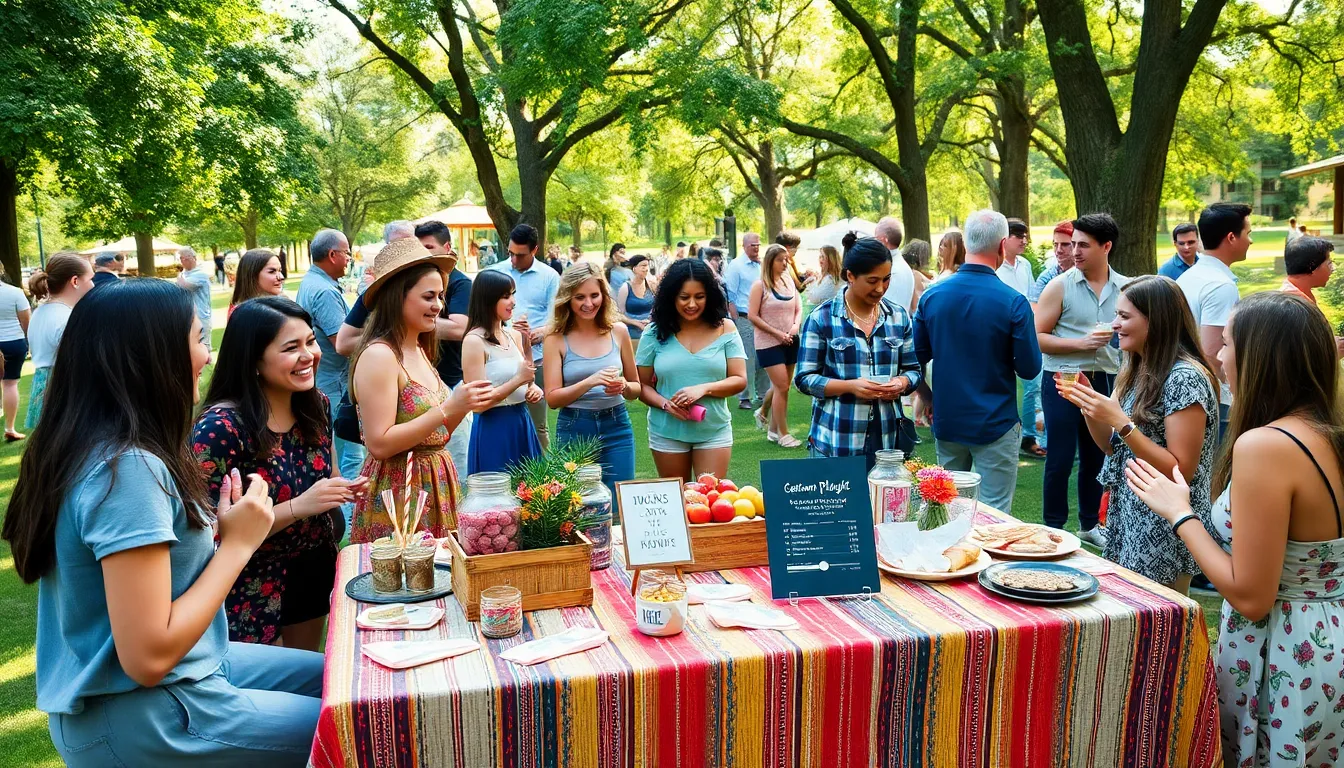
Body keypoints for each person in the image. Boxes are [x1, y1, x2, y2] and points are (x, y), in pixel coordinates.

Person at [2, 279, 323, 766]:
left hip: (193, 671)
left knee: (347, 682)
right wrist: (238, 544)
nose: (208, 357)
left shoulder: (95, 446)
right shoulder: (127, 468)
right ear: (152, 356)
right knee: (365, 727)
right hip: (141, 711)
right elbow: (148, 657)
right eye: (199, 339)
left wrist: (224, 529)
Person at [1125, 292, 1344, 766]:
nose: (1219, 357)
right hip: (1326, 638)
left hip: (1286, 650)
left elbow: (1251, 595)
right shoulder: (1328, 431)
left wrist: (1179, 512)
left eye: (1226, 344)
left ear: (1261, 357)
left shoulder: (1266, 446)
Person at [194, 298, 367, 647]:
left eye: (310, 341)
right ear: (254, 358)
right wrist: (301, 505)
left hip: (313, 565)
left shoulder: (316, 404)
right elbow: (210, 531)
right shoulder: (221, 427)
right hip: (249, 578)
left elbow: (327, 475)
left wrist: (344, 489)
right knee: (268, 688)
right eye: (291, 348)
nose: (309, 356)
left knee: (305, 675)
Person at [1062, 276, 1217, 592]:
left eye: (1124, 316)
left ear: (1156, 321)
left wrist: (1120, 422)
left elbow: (1180, 469)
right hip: (1130, 516)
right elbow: (1112, 446)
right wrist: (1091, 407)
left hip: (1166, 525)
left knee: (1164, 629)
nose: (1114, 324)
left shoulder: (1185, 378)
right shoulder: (1134, 368)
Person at [350, 240, 490, 543]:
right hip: (400, 492)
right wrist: (448, 408)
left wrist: (464, 404)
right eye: (428, 296)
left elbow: (436, 434)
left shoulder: (418, 349)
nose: (438, 305)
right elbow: (380, 444)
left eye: (440, 296)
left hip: (436, 483)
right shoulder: (379, 356)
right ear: (397, 297)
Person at [913, 209, 1041, 514]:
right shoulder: (1013, 301)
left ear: (966, 244)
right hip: (995, 422)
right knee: (993, 513)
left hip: (949, 419)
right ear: (1001, 246)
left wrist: (929, 398)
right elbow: (1029, 367)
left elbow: (913, 360)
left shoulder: (933, 297)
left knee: (945, 508)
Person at [1034, 213, 1129, 546]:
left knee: (1097, 455)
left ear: (1106, 246)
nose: (1074, 251)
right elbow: (1038, 336)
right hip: (1064, 378)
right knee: (1059, 456)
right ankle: (1054, 526)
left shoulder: (1125, 288)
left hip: (1105, 378)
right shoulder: (1059, 285)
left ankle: (1090, 524)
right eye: (1073, 244)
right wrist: (1080, 344)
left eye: (1083, 245)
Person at [796, 234, 922, 469]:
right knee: (842, 506)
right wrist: (850, 387)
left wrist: (901, 383)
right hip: (836, 440)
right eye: (872, 280)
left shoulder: (898, 316)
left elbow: (913, 370)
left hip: (888, 442)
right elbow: (804, 379)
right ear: (850, 276)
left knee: (882, 506)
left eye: (886, 279)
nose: (880, 288)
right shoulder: (822, 318)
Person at [636, 258, 747, 480]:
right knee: (677, 502)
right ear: (671, 297)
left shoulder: (726, 328)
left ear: (710, 296)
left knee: (711, 498)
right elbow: (642, 386)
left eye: (700, 297)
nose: (692, 304)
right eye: (684, 297)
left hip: (714, 429)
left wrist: (703, 389)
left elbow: (739, 379)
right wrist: (666, 405)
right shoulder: (653, 333)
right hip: (666, 431)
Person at [543, 262, 641, 497]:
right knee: (577, 505)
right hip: (574, 426)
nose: (588, 304)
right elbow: (553, 399)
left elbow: (636, 388)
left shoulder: (618, 331)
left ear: (604, 295)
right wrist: (590, 381)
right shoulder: (556, 339)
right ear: (567, 299)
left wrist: (624, 386)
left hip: (616, 424)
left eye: (594, 295)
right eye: (580, 297)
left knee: (619, 501)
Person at [297, 229, 365, 527]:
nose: (350, 258)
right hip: (333, 386)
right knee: (349, 456)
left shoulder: (314, 282)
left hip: (324, 382)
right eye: (347, 252)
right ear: (333, 255)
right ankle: (350, 523)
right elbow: (343, 342)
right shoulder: (324, 291)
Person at [1178, 202, 1252, 438]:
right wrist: (1235, 395)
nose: (1250, 241)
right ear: (1231, 237)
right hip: (1212, 397)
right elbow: (1212, 352)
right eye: (1248, 234)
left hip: (1187, 385)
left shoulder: (1190, 276)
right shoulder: (1221, 285)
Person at [462, 269, 544, 474]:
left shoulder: (513, 335)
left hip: (522, 422)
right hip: (494, 429)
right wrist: (518, 380)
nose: (513, 302)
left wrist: (533, 388)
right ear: (488, 299)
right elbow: (478, 405)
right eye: (506, 296)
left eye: (513, 294)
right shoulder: (474, 341)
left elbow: (526, 378)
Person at [487, 224, 559, 450]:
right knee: (502, 421)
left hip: (536, 359)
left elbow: (559, 319)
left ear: (535, 250)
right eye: (510, 253)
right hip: (499, 358)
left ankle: (542, 480)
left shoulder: (549, 276)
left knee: (538, 425)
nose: (514, 260)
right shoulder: (495, 273)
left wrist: (540, 332)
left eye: (520, 255)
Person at [24, 254, 93, 430]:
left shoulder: (41, 311)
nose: (93, 285)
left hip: (47, 385)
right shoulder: (66, 317)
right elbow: (82, 361)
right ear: (75, 281)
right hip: (64, 388)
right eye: (90, 279)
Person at [997, 218, 1043, 459]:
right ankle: (1015, 433)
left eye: (1025, 236)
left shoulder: (1024, 265)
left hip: (1025, 331)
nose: (1024, 240)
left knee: (1032, 384)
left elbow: (1030, 297)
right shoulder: (996, 267)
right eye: (1018, 235)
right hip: (1002, 334)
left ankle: (1028, 436)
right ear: (1005, 239)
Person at [748, 244, 803, 446]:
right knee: (781, 386)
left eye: (787, 260)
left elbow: (798, 307)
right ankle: (784, 434)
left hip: (790, 339)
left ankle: (770, 426)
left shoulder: (789, 280)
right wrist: (777, 333)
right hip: (768, 343)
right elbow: (753, 316)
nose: (785, 263)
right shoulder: (759, 285)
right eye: (781, 260)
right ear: (770, 262)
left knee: (783, 386)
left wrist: (795, 326)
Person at [723, 232, 766, 410]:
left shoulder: (762, 265)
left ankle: (764, 394)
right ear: (744, 246)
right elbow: (730, 294)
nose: (756, 248)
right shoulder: (736, 266)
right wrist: (735, 319)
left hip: (764, 317)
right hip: (744, 317)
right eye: (752, 245)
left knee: (764, 356)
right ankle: (745, 396)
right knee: (747, 357)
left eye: (758, 245)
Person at [0, 268, 29, 442]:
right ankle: (9, 427)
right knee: (10, 384)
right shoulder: (15, 292)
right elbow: (26, 321)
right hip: (13, 341)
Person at [876, 216, 916, 313]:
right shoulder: (899, 265)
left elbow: (886, 310)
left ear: (883, 240)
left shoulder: (893, 270)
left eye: (875, 238)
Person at [229, 248, 286, 317]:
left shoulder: (281, 305)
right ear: (252, 275)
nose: (281, 277)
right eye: (272, 272)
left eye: (280, 270)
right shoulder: (245, 315)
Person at [176, 247, 213, 350]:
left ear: (194, 258)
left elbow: (183, 285)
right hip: (187, 315)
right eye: (181, 258)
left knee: (203, 349)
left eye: (186, 258)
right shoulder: (183, 274)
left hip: (201, 316)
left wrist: (179, 278)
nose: (183, 261)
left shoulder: (200, 275)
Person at [1280, 235, 1335, 306]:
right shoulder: (1292, 305)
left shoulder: (1301, 295)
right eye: (1329, 264)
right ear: (1312, 266)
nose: (1333, 269)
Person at [1028, 221, 1076, 302]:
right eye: (1055, 244)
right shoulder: (1047, 278)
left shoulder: (1090, 275)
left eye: (1065, 245)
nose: (1059, 250)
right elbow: (1034, 308)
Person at [616, 254, 655, 342]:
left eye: (647, 265)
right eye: (643, 266)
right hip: (633, 335)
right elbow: (619, 315)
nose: (647, 269)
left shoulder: (651, 285)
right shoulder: (625, 287)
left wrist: (651, 320)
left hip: (650, 331)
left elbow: (658, 307)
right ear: (634, 268)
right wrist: (636, 323)